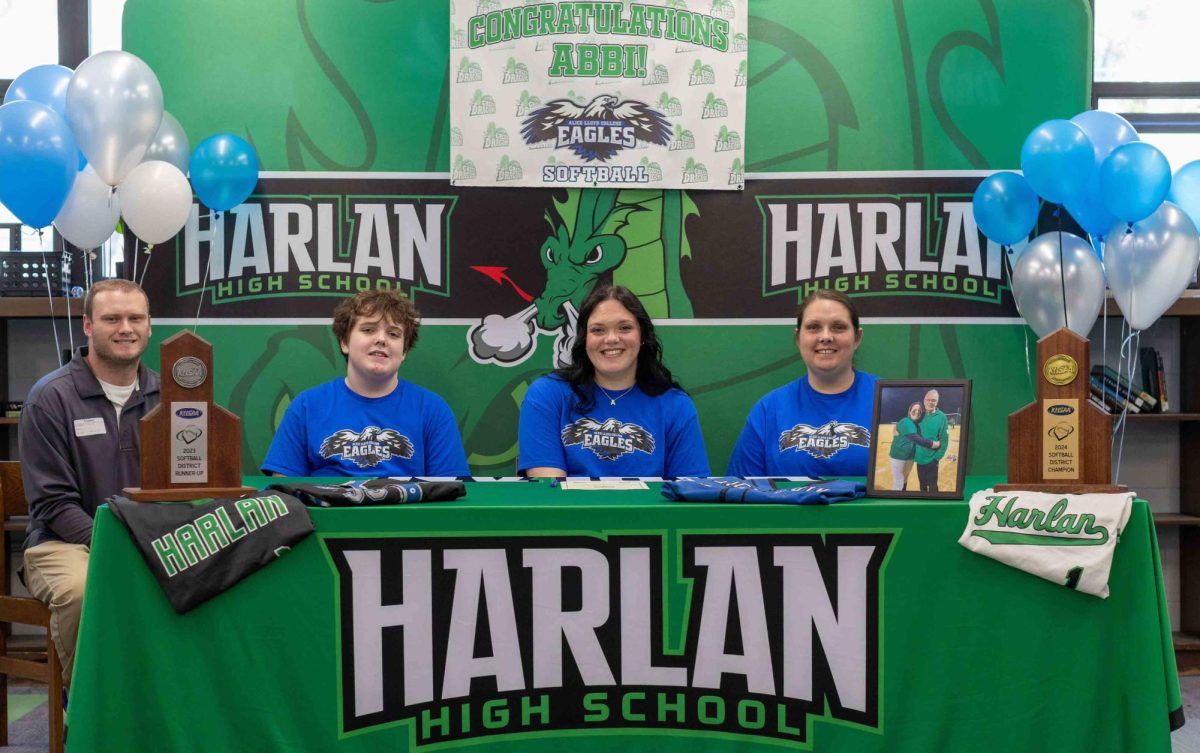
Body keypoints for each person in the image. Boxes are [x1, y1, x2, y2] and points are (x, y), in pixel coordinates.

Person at [20, 279, 160, 688]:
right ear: (87, 326)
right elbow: (53, 504)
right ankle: (84, 711)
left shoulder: (171, 395)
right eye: (111, 318)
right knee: (85, 591)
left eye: (136, 318)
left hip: (150, 539)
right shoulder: (50, 398)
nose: (126, 328)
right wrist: (120, 546)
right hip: (60, 543)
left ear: (150, 326)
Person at [262, 289, 469, 477]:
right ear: (344, 342)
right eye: (368, 330)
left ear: (404, 351)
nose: (381, 339)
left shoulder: (432, 410)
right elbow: (285, 490)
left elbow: (450, 490)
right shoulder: (306, 407)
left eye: (393, 334)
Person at [518, 284, 710, 478]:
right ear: (585, 339)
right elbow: (550, 495)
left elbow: (688, 492)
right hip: (571, 509)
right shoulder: (547, 395)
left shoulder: (676, 405)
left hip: (646, 510)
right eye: (598, 330)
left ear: (642, 336)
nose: (611, 339)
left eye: (625, 328)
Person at [727, 289, 877, 477]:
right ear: (798, 338)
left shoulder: (890, 400)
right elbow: (742, 492)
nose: (826, 336)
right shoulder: (769, 409)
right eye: (813, 327)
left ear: (857, 338)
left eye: (838, 327)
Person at [888, 401, 936, 491]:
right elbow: (918, 439)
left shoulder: (916, 424)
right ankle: (894, 502)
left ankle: (902, 497)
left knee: (905, 478)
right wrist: (934, 444)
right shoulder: (906, 422)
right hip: (898, 456)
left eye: (919, 410)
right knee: (899, 480)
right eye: (914, 409)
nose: (917, 411)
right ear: (910, 411)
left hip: (910, 457)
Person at [914, 389, 950, 493]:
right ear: (924, 400)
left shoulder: (942, 417)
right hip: (919, 459)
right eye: (928, 400)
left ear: (937, 402)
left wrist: (936, 458)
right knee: (922, 486)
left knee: (933, 487)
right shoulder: (919, 414)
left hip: (932, 460)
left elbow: (944, 440)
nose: (930, 402)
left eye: (933, 400)